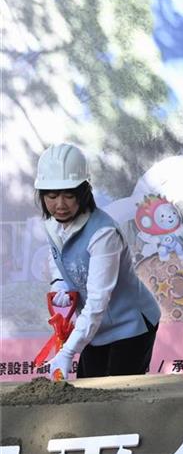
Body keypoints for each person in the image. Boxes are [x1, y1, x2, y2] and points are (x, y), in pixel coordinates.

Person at [35, 143, 161, 380]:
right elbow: (59, 260)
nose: (59, 204)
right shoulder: (52, 225)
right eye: (51, 196)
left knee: (118, 397)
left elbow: (97, 300)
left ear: (83, 193)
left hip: (132, 324)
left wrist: (68, 351)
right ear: (42, 196)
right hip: (96, 327)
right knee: (88, 392)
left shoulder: (102, 234)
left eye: (69, 195)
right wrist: (60, 283)